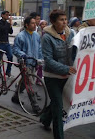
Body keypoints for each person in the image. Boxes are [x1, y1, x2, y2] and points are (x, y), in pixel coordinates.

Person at [40, 9, 76, 139]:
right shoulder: (47, 37)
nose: (65, 22)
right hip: (53, 78)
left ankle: (45, 118)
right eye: (61, 20)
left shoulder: (71, 33)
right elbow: (48, 61)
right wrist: (66, 68)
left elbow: (76, 50)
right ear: (53, 22)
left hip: (68, 76)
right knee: (59, 108)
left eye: (66, 19)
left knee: (57, 102)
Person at [11, 16, 43, 113]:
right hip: (24, 63)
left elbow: (39, 49)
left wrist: (41, 59)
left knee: (24, 81)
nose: (35, 25)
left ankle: (16, 97)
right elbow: (15, 49)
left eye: (35, 23)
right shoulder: (20, 36)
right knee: (30, 84)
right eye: (32, 23)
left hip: (34, 62)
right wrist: (22, 55)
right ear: (27, 25)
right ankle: (35, 105)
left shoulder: (37, 35)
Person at [0, 11, 13, 77]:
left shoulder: (7, 23)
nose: (7, 16)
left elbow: (11, 32)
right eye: (6, 15)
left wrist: (10, 25)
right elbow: (2, 29)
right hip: (0, 43)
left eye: (8, 15)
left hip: (7, 43)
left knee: (10, 56)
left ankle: (8, 71)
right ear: (2, 15)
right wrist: (9, 24)